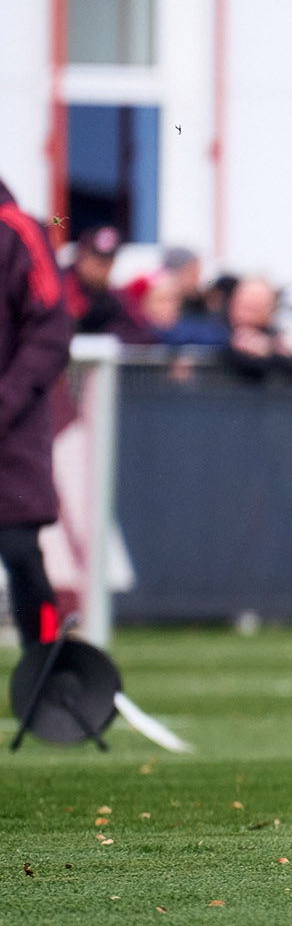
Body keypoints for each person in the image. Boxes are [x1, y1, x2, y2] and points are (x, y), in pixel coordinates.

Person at [0, 177, 75, 655]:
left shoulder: (18, 230)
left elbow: (50, 330)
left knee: (22, 554)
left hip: (9, 433)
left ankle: (47, 671)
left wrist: (5, 401)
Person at [62, 226, 150, 342]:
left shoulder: (113, 296)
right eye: (98, 261)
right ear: (81, 255)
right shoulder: (60, 288)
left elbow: (142, 333)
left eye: (109, 261)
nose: (104, 268)